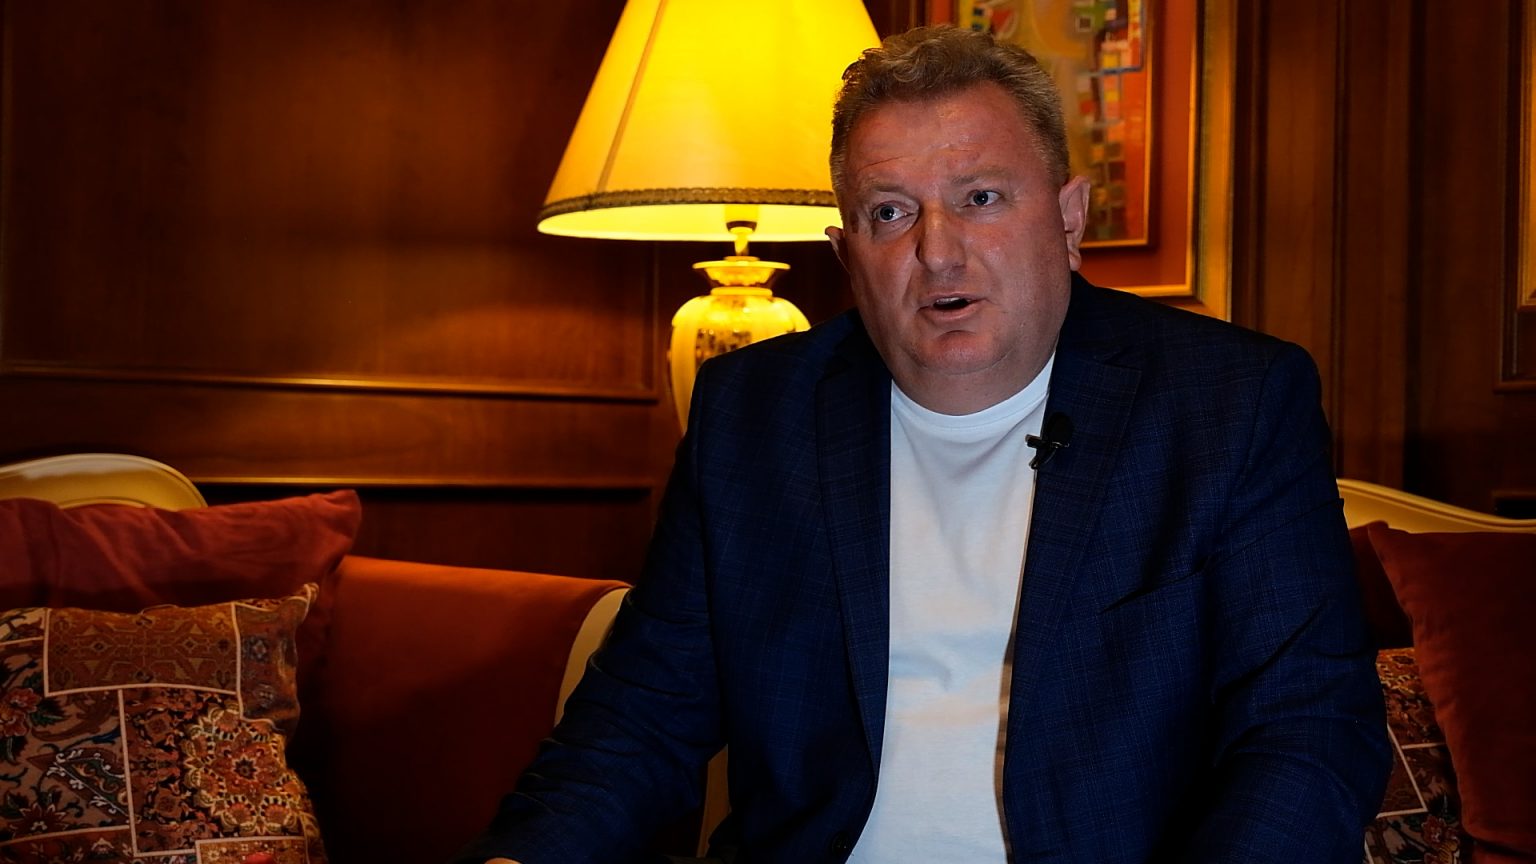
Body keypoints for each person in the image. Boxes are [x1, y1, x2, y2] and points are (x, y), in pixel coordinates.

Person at [456, 24, 1390, 864]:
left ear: (1070, 218)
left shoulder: (1230, 405)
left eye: (980, 197)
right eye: (892, 213)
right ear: (845, 251)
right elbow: (640, 717)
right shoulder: (754, 415)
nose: (938, 252)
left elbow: (1308, 729)